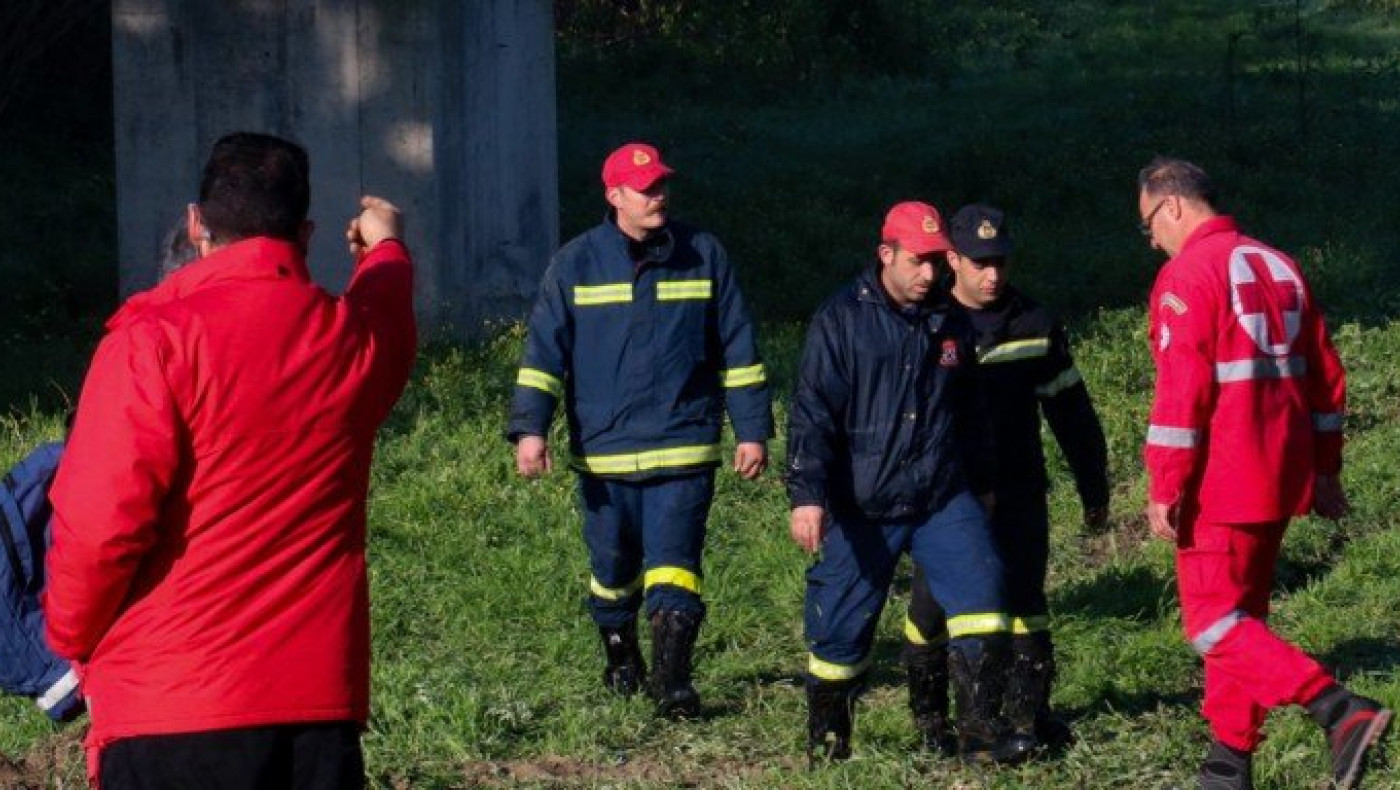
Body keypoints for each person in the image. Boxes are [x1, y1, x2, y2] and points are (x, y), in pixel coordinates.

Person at [44, 132, 417, 789]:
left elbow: (99, 528)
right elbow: (387, 309)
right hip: (314, 716)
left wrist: (69, 638)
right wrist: (386, 247)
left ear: (195, 224)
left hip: (170, 709)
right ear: (304, 232)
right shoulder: (350, 342)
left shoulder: (152, 342)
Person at [1137, 156, 1389, 790]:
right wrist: (1325, 470)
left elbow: (1181, 394)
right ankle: (1228, 763)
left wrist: (1164, 483)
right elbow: (1326, 377)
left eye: (1148, 225)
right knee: (1241, 617)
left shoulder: (1185, 274)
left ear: (1170, 206)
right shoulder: (1280, 264)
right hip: (1280, 474)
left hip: (1220, 480)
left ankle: (1338, 709)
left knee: (1212, 624)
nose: (1151, 240)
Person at [507, 142, 772, 719]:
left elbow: (739, 347)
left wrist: (751, 429)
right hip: (604, 458)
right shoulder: (575, 263)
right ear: (614, 196)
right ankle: (621, 657)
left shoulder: (704, 254)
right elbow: (543, 355)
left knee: (676, 567)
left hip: (684, 447)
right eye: (644, 188)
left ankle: (672, 686)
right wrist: (530, 429)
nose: (658, 196)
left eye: (661, 186)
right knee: (612, 572)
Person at [786, 200, 1020, 765]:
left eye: (937, 262)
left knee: (985, 597)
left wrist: (984, 484)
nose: (929, 275)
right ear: (885, 254)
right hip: (862, 501)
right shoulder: (839, 320)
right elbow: (812, 415)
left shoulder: (949, 321)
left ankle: (979, 738)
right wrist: (807, 498)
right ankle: (829, 742)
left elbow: (971, 413)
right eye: (917, 261)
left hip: (941, 495)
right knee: (839, 633)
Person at [903, 203, 1110, 758]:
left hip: (1020, 488)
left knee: (1025, 604)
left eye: (1000, 262)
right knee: (930, 610)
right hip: (947, 495)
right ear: (952, 259)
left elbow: (1072, 413)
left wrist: (1095, 489)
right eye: (979, 262)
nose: (992, 274)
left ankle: (1025, 719)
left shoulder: (1034, 323)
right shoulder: (928, 320)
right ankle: (929, 721)